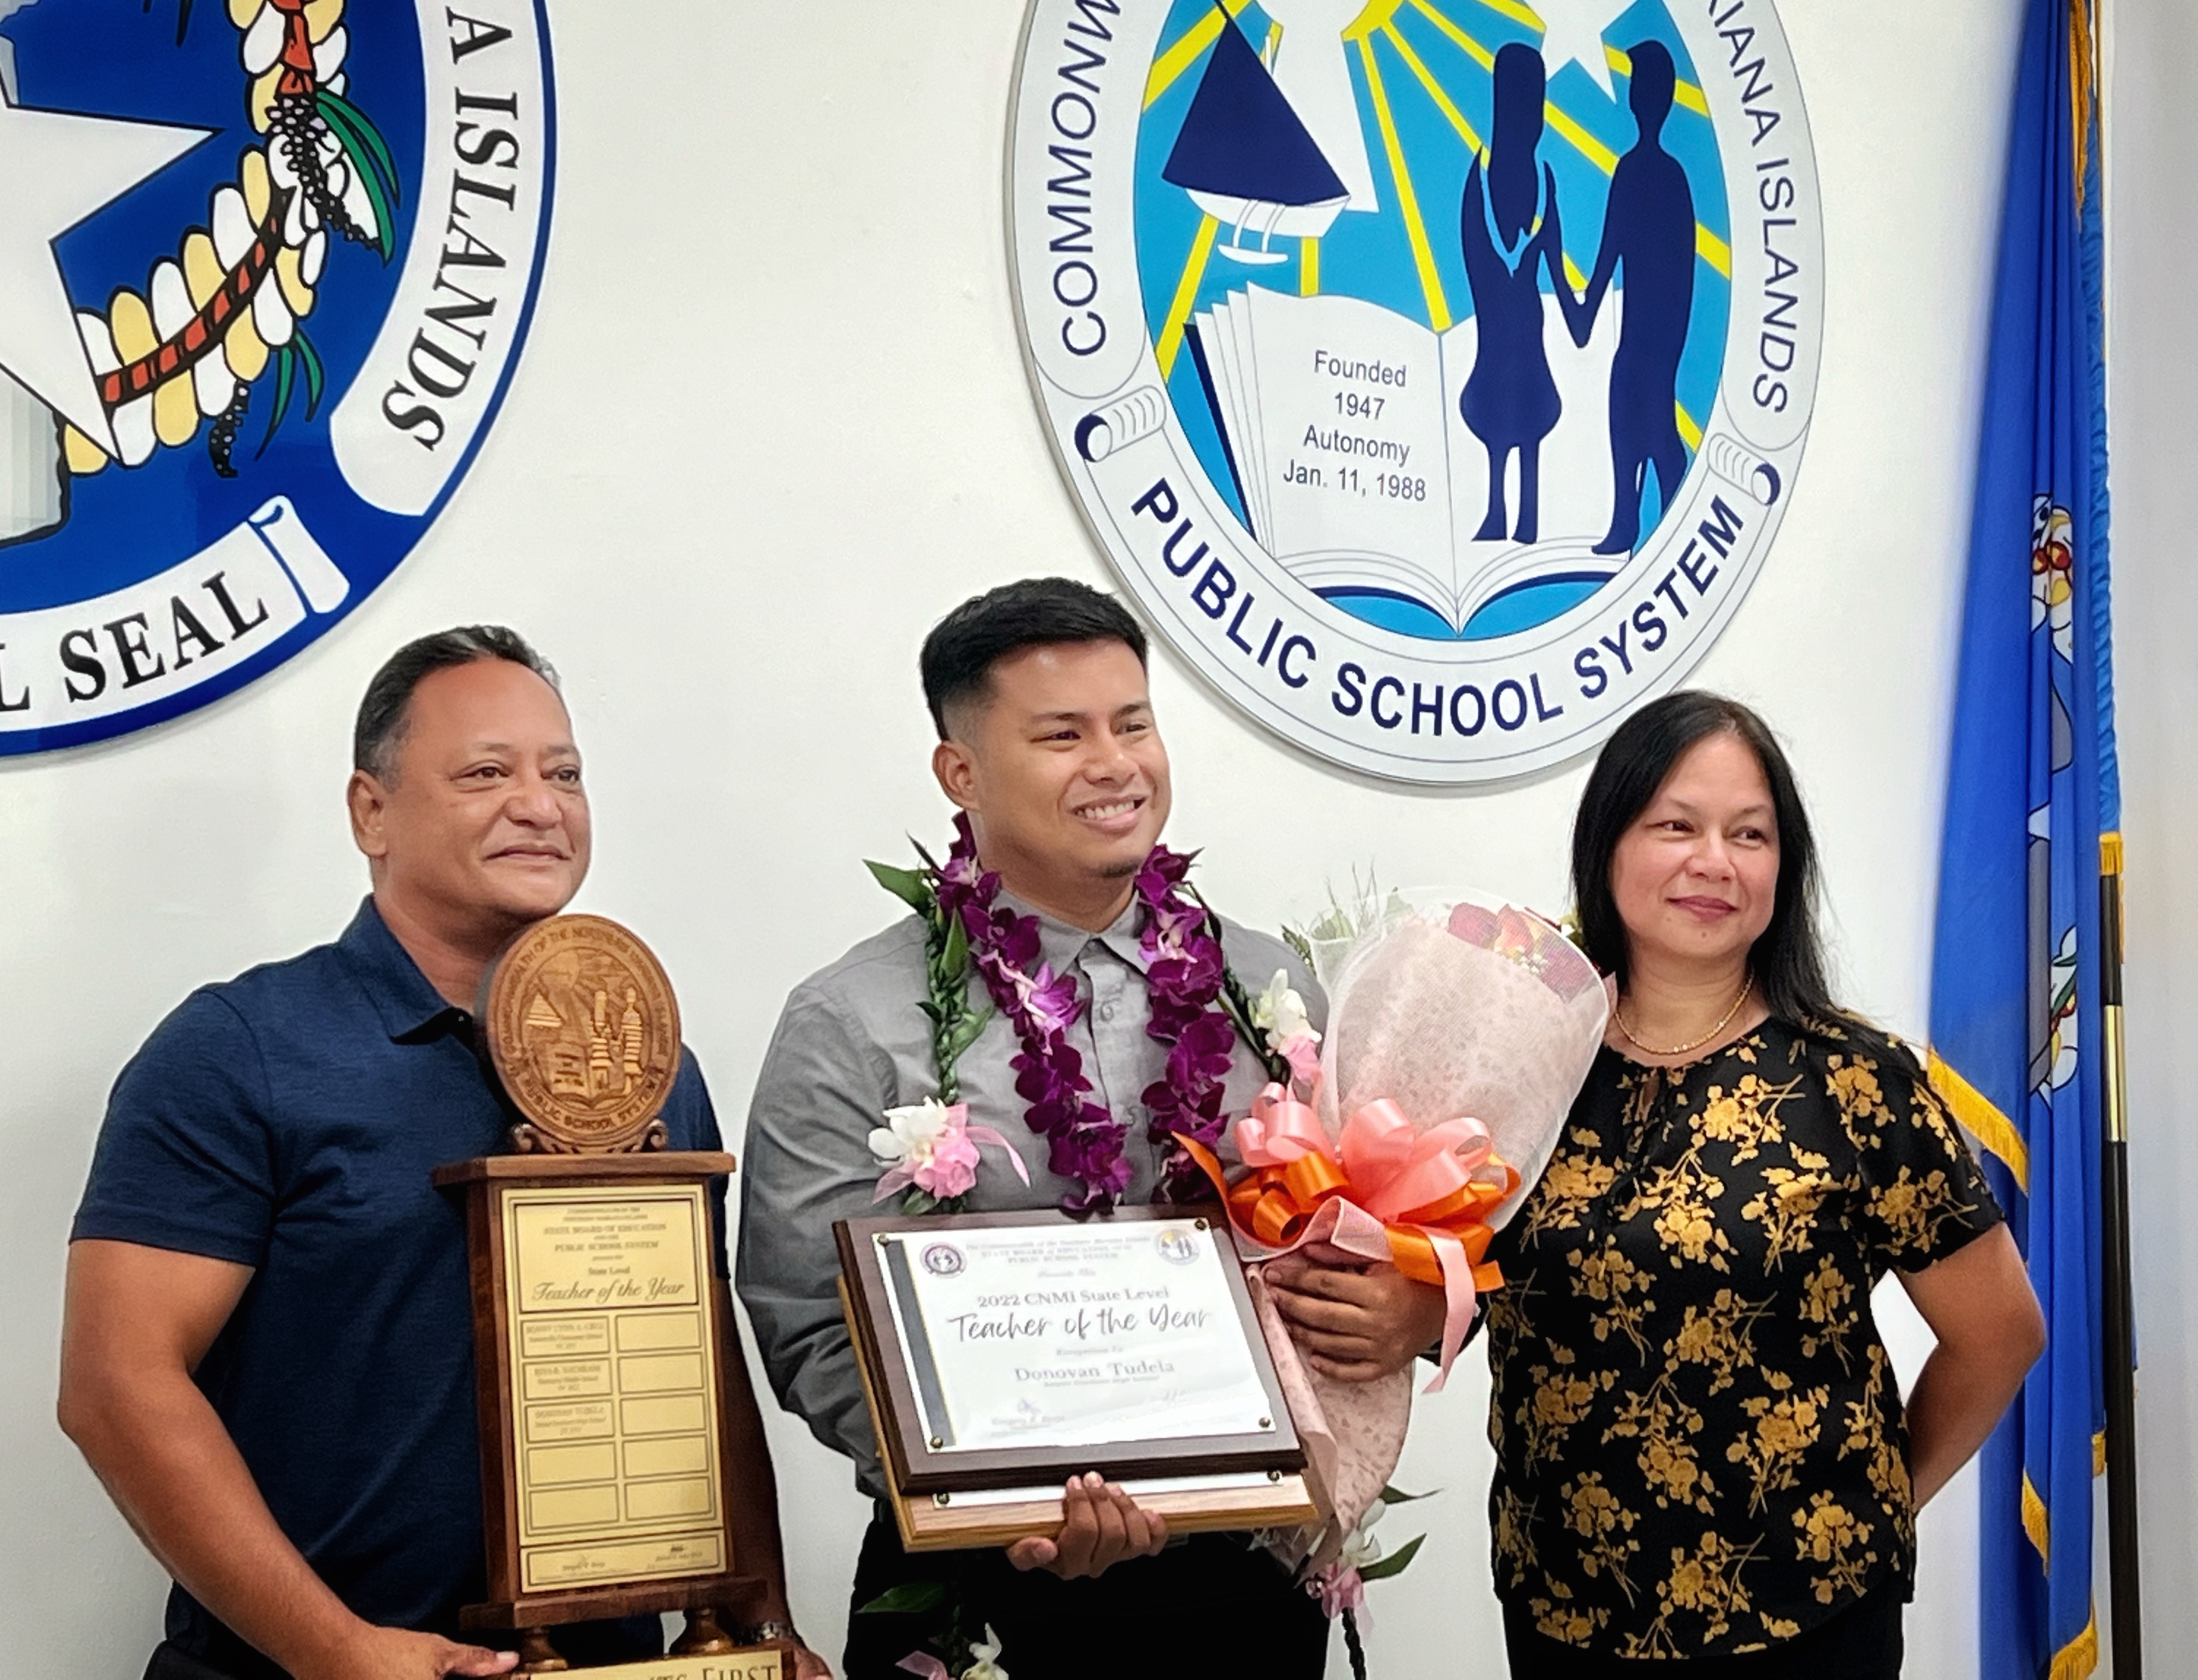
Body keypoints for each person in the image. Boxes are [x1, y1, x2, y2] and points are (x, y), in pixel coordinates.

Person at [59, 628, 827, 1680]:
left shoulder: (651, 1061)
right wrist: (337, 1650)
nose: (539, 802)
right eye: (485, 772)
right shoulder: (240, 1048)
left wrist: (764, 1625)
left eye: (564, 773)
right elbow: (115, 1383)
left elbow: (701, 1367)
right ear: (370, 811)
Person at [736, 578, 1445, 1680]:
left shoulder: (1272, 988)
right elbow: (805, 1323)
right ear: (959, 773)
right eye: (1062, 735)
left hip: (1246, 1584)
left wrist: (1408, 1306)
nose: (1115, 764)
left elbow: (1362, 1225)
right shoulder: (851, 1022)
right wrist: (997, 1495)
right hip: (979, 1595)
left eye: (1134, 723)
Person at [1483, 690, 2045, 1677]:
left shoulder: (1853, 1075)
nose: (1714, 861)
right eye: (1675, 824)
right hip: (1562, 1607)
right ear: (1606, 842)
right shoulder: (1522, 1064)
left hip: (1806, 1619)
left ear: (1783, 870)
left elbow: (1999, 1329)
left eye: (1750, 833)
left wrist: (1879, 1496)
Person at [1562, 39, 1699, 556]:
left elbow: (1681, 274)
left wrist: (1666, 352)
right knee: (1633, 414)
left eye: (1642, 86)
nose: (1636, 95)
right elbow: (1607, 263)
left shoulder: (1658, 177)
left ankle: (1661, 495)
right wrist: (1577, 296)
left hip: (1655, 342)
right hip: (1645, 341)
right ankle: (1629, 516)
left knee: (1646, 416)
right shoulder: (1639, 174)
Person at [1459, 42, 1569, 546]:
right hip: (1496, 327)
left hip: (1529, 327)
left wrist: (1575, 308)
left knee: (1528, 418)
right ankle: (1497, 511)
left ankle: (1529, 517)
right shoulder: (1480, 178)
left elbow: (1555, 261)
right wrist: (1510, 265)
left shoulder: (1543, 181)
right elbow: (1474, 250)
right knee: (1498, 419)